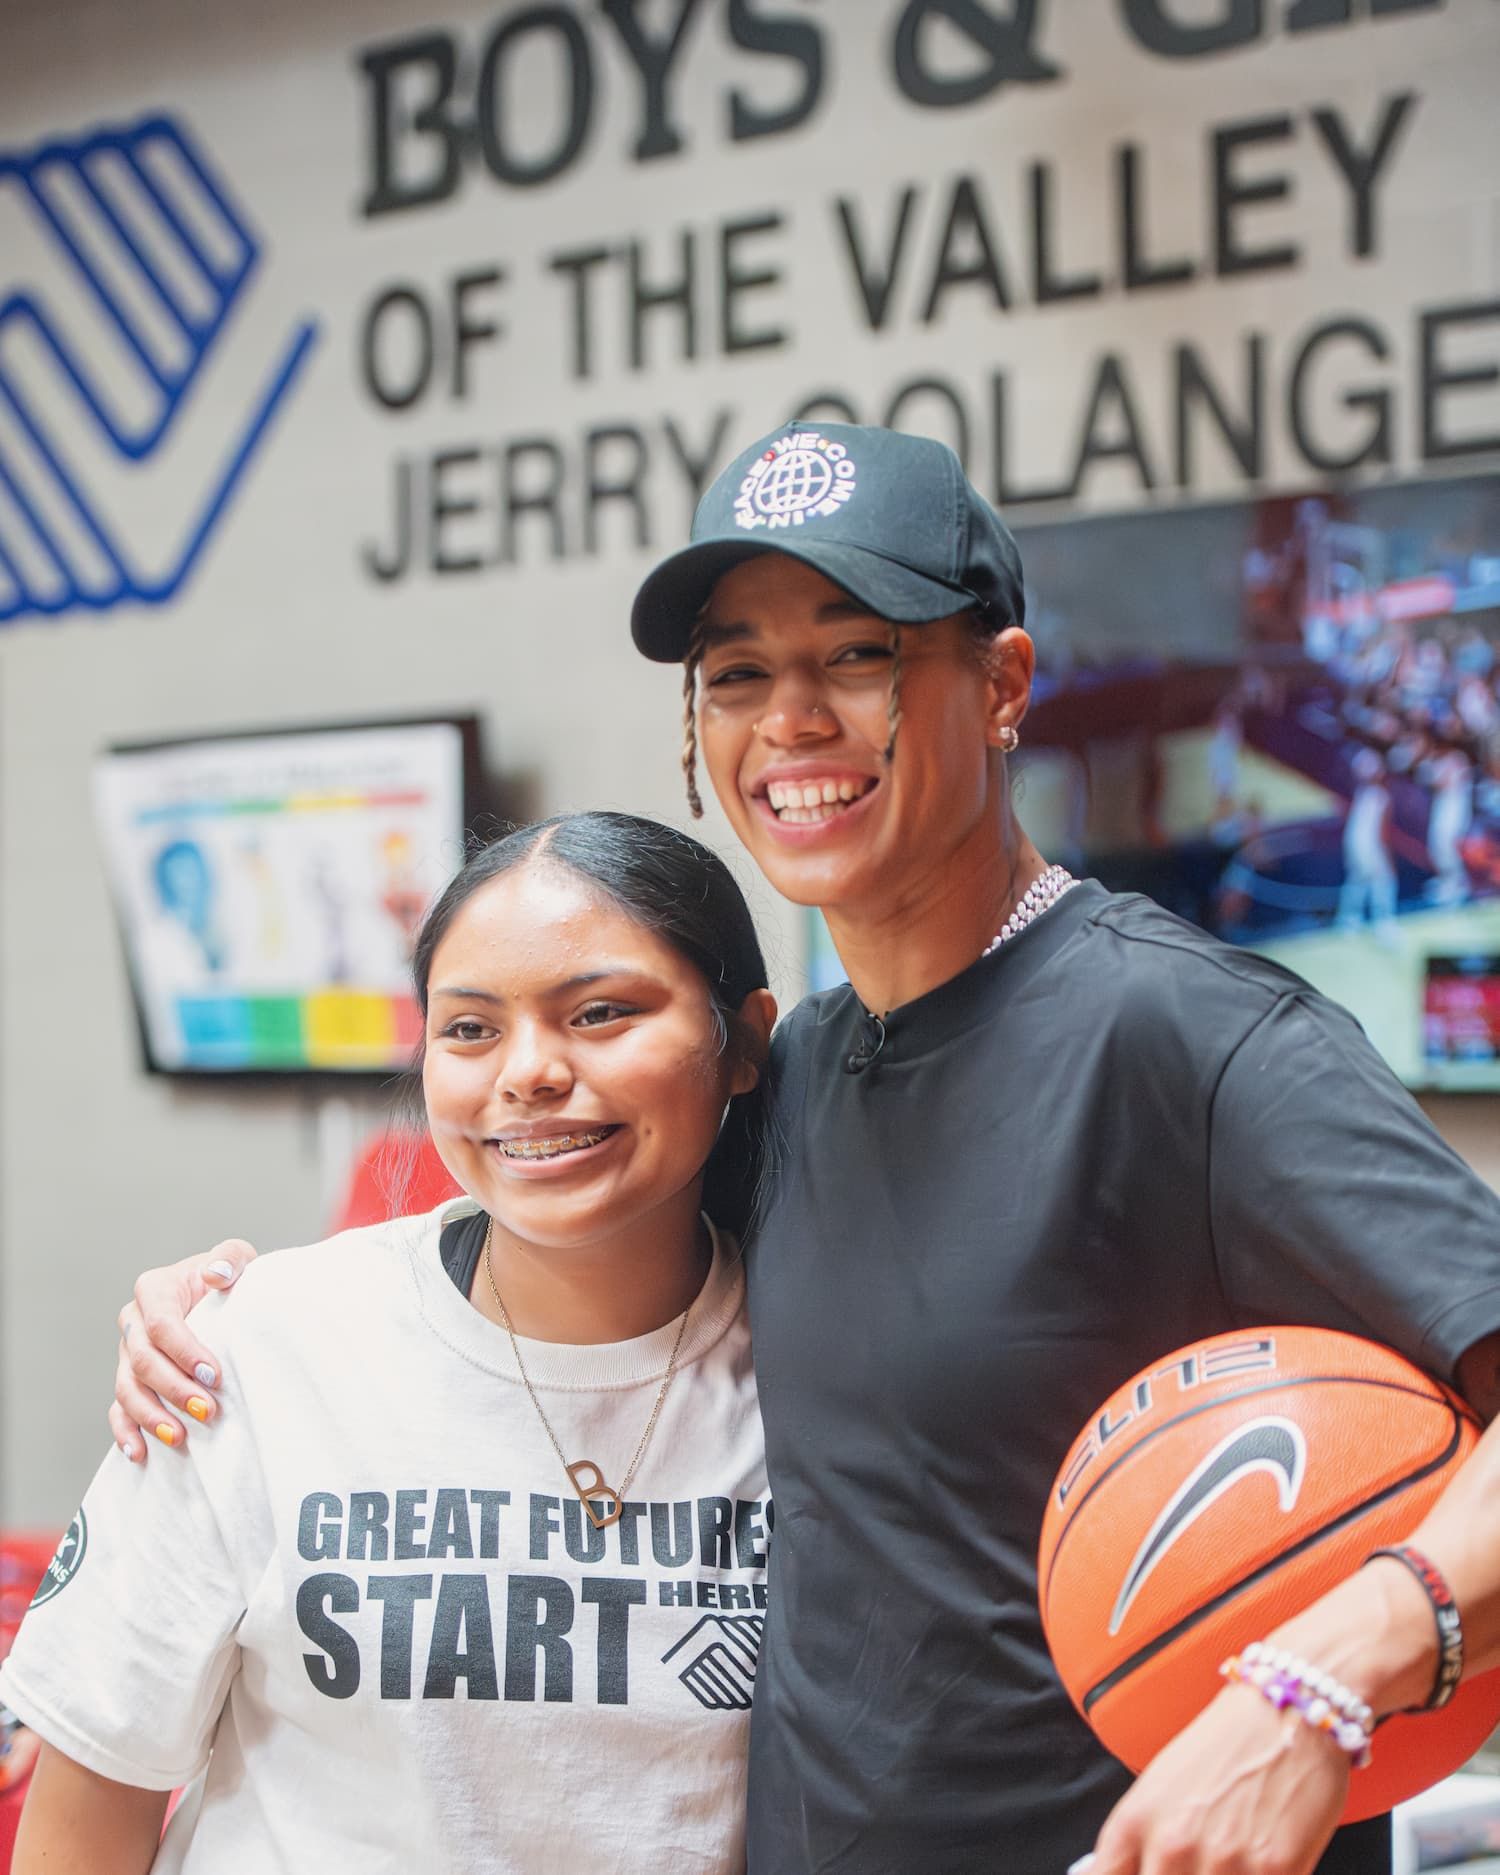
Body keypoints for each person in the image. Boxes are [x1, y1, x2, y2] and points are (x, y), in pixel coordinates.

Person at [112, 424, 1500, 1875]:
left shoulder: (1189, 1037)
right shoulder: (795, 1076)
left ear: (1004, 685)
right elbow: (534, 1245)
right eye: (737, 674)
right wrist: (221, 1308)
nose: (790, 720)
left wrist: (1320, 1681)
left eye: (857, 656)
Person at [3, 812, 778, 1874]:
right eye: (470, 1029)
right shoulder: (257, 1348)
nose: (527, 1072)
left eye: (600, 1012)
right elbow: (92, 1806)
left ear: (745, 1043)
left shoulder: (825, 1371)